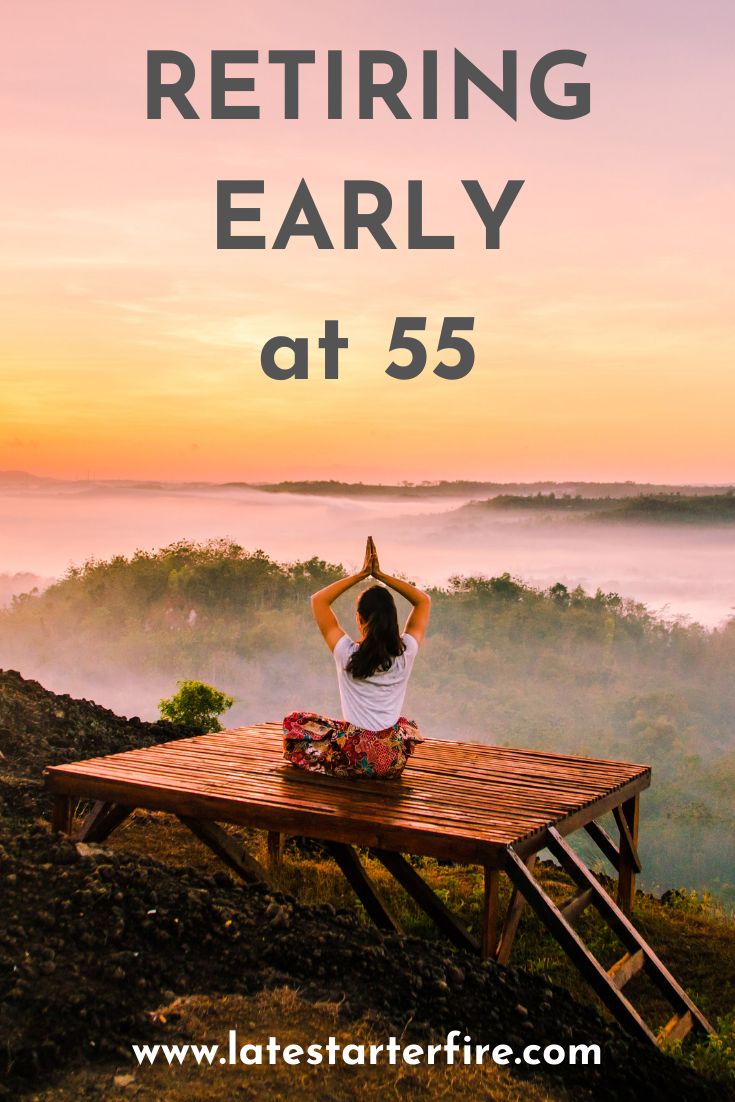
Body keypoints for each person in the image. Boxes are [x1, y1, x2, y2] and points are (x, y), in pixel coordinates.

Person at [282, 537, 431, 779]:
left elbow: (318, 600)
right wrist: (380, 575)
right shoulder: (406, 653)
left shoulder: (346, 653)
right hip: (390, 762)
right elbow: (423, 601)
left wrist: (362, 574)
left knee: (294, 722)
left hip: (352, 757)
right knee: (402, 725)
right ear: (393, 620)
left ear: (359, 619)